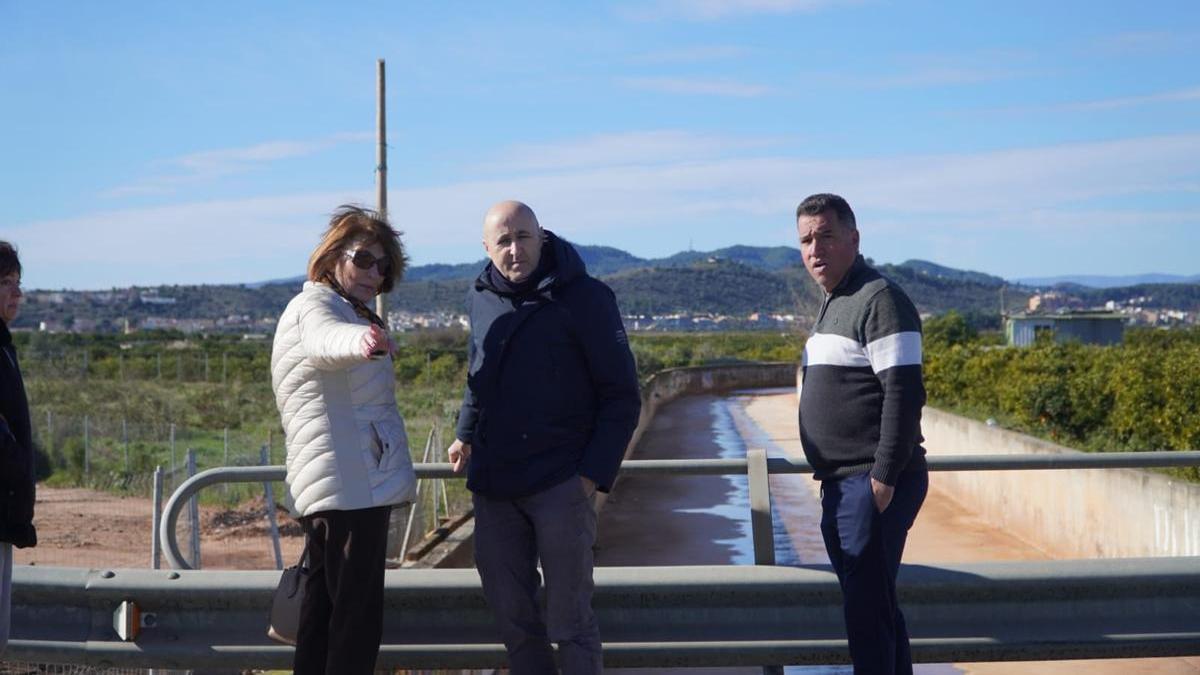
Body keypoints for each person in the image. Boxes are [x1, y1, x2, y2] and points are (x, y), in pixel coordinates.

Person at [447, 200, 640, 674]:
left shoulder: (586, 297)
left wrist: (591, 477)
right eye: (504, 242)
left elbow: (622, 396)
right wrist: (464, 434)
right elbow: (479, 373)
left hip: (561, 482)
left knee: (570, 623)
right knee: (514, 622)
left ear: (541, 235)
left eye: (524, 237)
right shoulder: (480, 298)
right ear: (487, 248)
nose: (515, 250)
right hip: (494, 483)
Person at [270, 205, 417, 674]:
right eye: (363, 259)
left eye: (384, 265)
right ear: (333, 256)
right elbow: (324, 340)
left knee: (323, 616)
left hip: (341, 485)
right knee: (354, 621)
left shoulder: (345, 307)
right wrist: (362, 341)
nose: (374, 274)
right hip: (351, 488)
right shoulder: (316, 306)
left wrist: (363, 333)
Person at [795, 194, 928, 675]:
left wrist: (883, 477)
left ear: (853, 238)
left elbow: (905, 392)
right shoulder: (836, 303)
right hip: (842, 481)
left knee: (866, 616)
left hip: (867, 481)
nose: (815, 249)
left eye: (826, 235)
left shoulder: (879, 299)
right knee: (876, 608)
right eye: (806, 240)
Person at [0, 241, 36, 654]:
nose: (17, 293)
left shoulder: (2, 344)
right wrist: (14, 465)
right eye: (7, 282)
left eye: (18, 282)